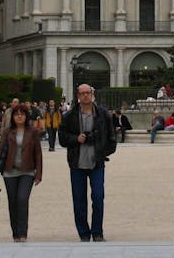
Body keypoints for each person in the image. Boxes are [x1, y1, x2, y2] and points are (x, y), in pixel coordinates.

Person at [59, 84, 117, 242]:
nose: (86, 96)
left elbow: (112, 138)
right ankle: (84, 233)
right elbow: (62, 138)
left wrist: (103, 152)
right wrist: (76, 139)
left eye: (88, 93)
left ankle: (97, 232)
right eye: (82, 93)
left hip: (96, 163)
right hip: (77, 163)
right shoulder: (69, 116)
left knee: (98, 197)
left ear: (92, 94)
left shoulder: (103, 114)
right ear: (78, 96)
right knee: (79, 200)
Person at [0, 104, 42, 242]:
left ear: (26, 116)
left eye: (22, 114)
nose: (19, 116)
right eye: (16, 114)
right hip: (10, 171)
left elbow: (38, 153)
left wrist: (39, 174)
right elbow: (1, 153)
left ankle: (23, 233)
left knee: (22, 199)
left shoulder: (32, 132)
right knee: (13, 202)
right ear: (12, 117)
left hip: (27, 171)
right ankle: (15, 233)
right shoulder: (7, 132)